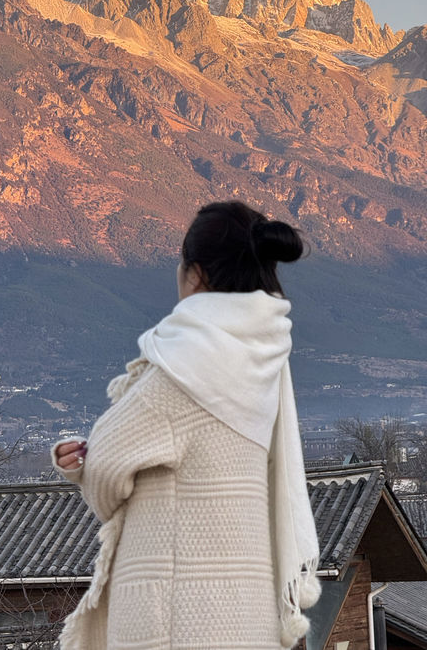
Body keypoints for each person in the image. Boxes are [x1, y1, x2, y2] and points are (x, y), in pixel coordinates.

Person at [52, 201, 321, 650]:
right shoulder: (266, 355)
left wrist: (83, 462)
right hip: (247, 610)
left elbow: (107, 471)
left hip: (176, 614)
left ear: (194, 273)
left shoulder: (185, 367)